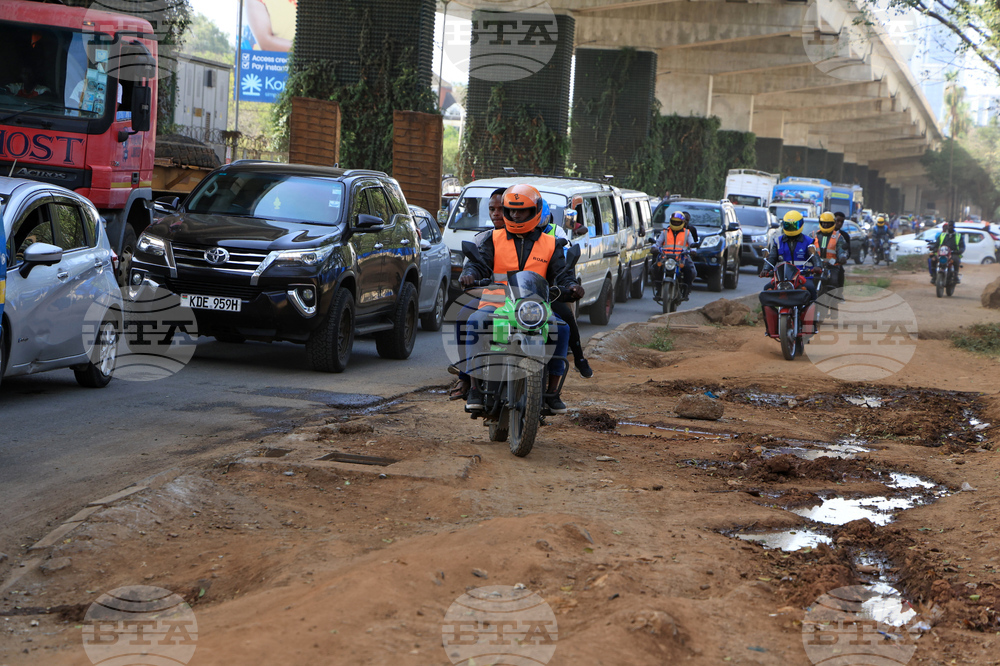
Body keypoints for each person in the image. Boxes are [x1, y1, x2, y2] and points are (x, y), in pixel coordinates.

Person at [458, 185, 583, 414]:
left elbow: (562, 274)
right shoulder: (492, 239)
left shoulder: (551, 243)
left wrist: (572, 286)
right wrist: (470, 275)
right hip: (496, 304)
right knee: (475, 322)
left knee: (562, 328)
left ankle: (553, 392)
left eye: (522, 210)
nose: (515, 215)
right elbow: (479, 264)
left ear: (534, 211)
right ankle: (474, 387)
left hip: (534, 307)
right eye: (511, 210)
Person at [538, 202, 592, 378]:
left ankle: (578, 358)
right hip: (514, 294)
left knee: (566, 319)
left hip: (549, 288)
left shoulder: (555, 236)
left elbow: (563, 264)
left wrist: (569, 285)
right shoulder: (506, 237)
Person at [761, 210, 820, 301]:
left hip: (802, 276)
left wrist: (818, 266)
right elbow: (772, 258)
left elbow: (815, 257)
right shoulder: (778, 242)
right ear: (783, 225)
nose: (791, 228)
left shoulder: (808, 241)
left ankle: (814, 309)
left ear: (801, 224)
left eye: (794, 225)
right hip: (782, 278)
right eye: (788, 225)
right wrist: (766, 269)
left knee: (811, 289)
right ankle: (768, 311)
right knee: (766, 289)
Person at [654, 212, 696, 301]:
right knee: (655, 268)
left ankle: (686, 290)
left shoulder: (687, 233)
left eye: (678, 222)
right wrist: (654, 248)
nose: (676, 223)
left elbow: (692, 244)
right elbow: (657, 243)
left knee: (689, 270)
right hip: (666, 258)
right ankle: (659, 289)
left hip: (681, 258)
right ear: (670, 221)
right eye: (674, 221)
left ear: (682, 223)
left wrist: (693, 250)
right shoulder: (665, 232)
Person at [813, 212, 850, 289]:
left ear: (833, 223)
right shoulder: (813, 235)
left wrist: (842, 257)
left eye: (828, 223)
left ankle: (835, 294)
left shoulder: (839, 236)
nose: (825, 225)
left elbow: (841, 249)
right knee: (809, 283)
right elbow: (808, 249)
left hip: (832, 266)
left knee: (833, 281)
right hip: (816, 266)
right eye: (823, 223)